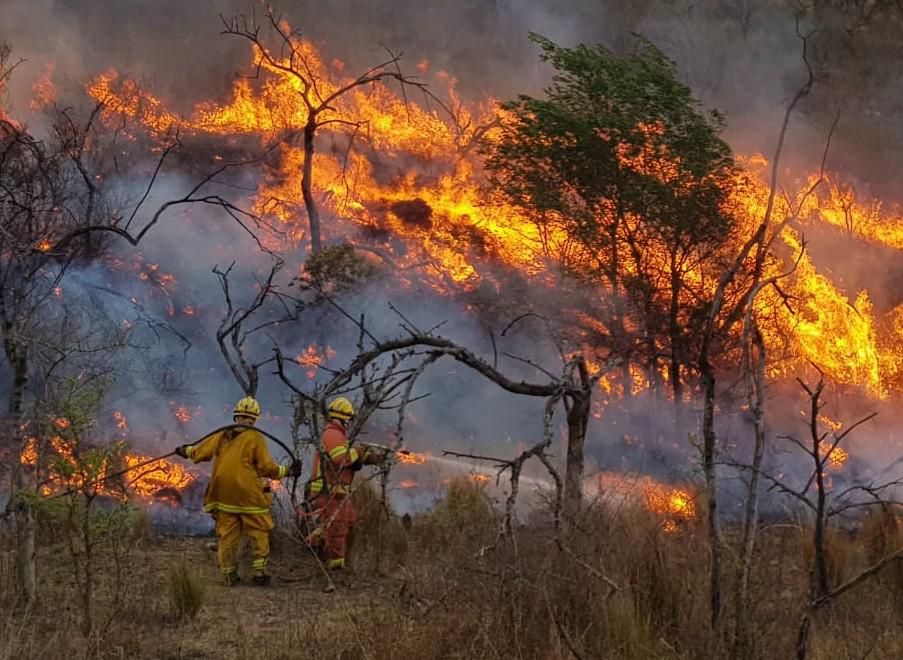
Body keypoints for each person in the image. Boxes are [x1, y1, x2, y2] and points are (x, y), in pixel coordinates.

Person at [175, 396, 301, 586]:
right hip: (248, 495)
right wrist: (288, 471)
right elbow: (266, 467)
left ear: (237, 416)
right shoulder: (255, 438)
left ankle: (229, 575)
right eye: (247, 418)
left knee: (227, 535)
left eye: (245, 418)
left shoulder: (221, 434)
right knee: (259, 529)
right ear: (253, 418)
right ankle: (259, 572)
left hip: (222, 494)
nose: (245, 422)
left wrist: (185, 451)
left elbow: (202, 452)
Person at [305, 397, 386, 575]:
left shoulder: (338, 435)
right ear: (344, 418)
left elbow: (346, 460)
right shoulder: (332, 434)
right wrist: (358, 451)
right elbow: (340, 458)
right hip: (329, 492)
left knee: (348, 520)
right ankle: (336, 567)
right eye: (349, 419)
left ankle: (314, 541)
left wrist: (370, 458)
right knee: (338, 528)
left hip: (338, 492)